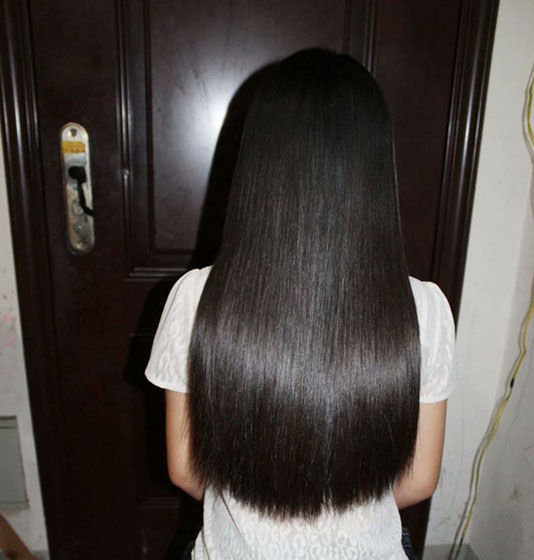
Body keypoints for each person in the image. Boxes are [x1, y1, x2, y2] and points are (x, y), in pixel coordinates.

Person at [145, 47, 458, 560]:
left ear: (258, 163)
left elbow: (184, 468)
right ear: (375, 170)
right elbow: (420, 479)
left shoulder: (195, 298)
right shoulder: (425, 308)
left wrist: (263, 519)